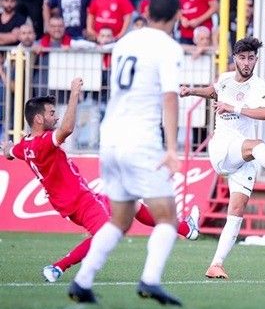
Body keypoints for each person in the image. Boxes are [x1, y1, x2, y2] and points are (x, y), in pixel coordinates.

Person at [0, 84, 200, 283]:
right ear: (38, 119)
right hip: (80, 200)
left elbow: (11, 152)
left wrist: (8, 149)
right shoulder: (43, 143)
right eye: (52, 113)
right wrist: (75, 93)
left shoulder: (25, 145)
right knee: (103, 235)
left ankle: (186, 229)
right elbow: (67, 129)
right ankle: (58, 267)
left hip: (70, 201)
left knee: (132, 205)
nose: (56, 117)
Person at [68, 0, 187, 305]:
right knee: (167, 217)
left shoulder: (125, 42)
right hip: (140, 140)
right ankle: (150, 280)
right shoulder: (169, 47)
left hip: (110, 139)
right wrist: (171, 148)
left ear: (145, 13)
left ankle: (82, 281)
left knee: (120, 219)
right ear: (177, 16)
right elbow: (170, 97)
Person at [179, 37, 265, 279]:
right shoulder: (225, 79)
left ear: (256, 60)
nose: (247, 62)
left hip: (243, 155)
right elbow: (214, 91)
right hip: (222, 149)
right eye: (242, 58)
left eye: (251, 58)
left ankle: (216, 264)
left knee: (236, 211)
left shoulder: (258, 86)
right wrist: (191, 91)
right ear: (235, 59)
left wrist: (234, 108)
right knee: (257, 145)